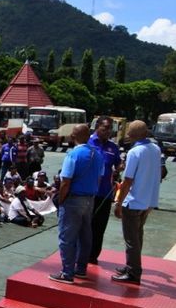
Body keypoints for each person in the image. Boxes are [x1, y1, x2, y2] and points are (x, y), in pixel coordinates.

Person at [49, 124, 103, 284]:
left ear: (73, 137)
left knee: (67, 237)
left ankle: (67, 273)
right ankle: (81, 269)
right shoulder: (98, 155)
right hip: (90, 199)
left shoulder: (73, 154)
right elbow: (99, 178)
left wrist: (61, 200)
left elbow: (66, 181)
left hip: (74, 199)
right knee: (85, 235)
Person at [112, 120, 161, 284]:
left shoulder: (135, 152)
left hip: (134, 201)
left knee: (131, 238)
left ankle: (134, 273)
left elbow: (127, 180)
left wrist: (119, 202)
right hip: (148, 200)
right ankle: (131, 265)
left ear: (132, 135)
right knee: (138, 235)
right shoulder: (155, 149)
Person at [87, 116, 122, 265]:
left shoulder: (113, 148)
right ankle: (79, 253)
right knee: (85, 225)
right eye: (105, 128)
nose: (108, 131)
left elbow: (119, 164)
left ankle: (93, 256)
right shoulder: (87, 143)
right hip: (88, 192)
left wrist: (120, 167)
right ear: (97, 127)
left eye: (110, 128)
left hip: (105, 193)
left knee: (100, 226)